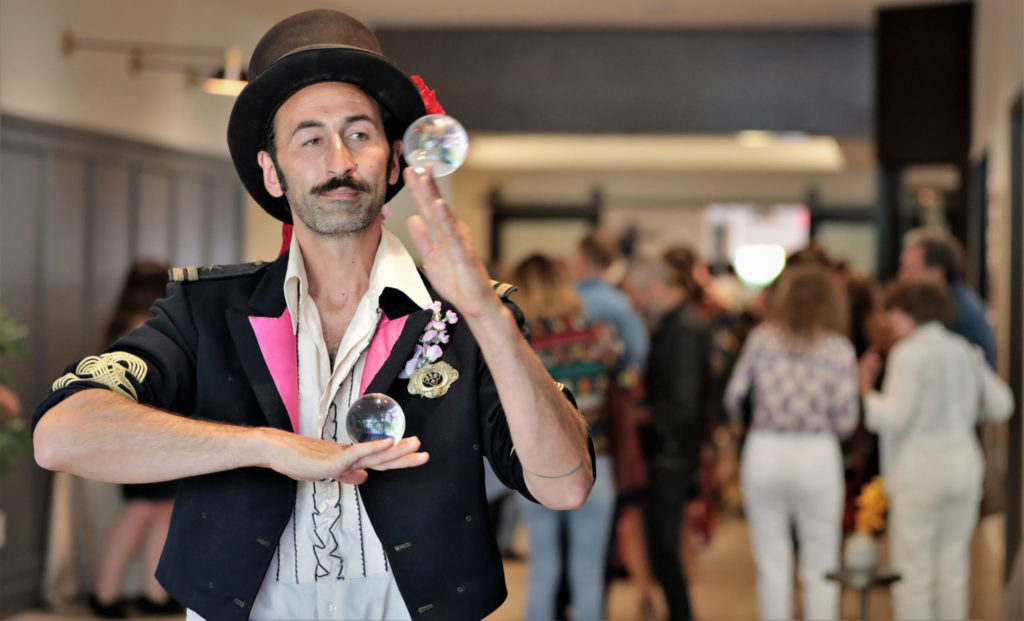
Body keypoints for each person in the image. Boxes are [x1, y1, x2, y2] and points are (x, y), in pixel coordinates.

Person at [31, 10, 593, 621]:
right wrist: (268, 446)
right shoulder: (205, 311)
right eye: (309, 137)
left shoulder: (468, 313)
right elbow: (62, 436)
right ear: (271, 171)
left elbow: (564, 485)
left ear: (395, 159)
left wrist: (485, 313)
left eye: (359, 133)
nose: (338, 160)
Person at [858, 279, 1013, 621]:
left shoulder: (908, 354)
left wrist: (867, 391)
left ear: (908, 313)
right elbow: (1003, 405)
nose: (890, 321)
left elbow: (894, 417)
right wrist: (965, 410)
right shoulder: (963, 349)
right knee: (953, 568)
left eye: (893, 313)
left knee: (913, 571)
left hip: (920, 472)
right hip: (963, 469)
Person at [723, 264, 859, 621]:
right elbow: (847, 421)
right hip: (817, 453)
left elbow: (734, 398)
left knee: (771, 563)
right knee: (821, 560)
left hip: (765, 450)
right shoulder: (838, 350)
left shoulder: (761, 339)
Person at [511, 253, 620, 621]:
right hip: (595, 457)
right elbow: (625, 383)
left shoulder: (520, 340)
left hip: (537, 461)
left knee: (544, 567)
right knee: (588, 571)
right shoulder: (597, 332)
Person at [89, 260, 181, 618]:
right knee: (143, 510)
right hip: (145, 433)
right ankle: (106, 593)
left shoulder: (120, 325)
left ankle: (150, 593)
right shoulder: (147, 328)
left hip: (147, 433)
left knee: (159, 510)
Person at [622, 254, 712, 621]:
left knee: (665, 548)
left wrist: (641, 415)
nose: (631, 304)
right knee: (663, 548)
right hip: (668, 450)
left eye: (635, 295)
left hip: (671, 453)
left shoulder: (684, 330)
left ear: (654, 288)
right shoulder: (674, 326)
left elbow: (683, 406)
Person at [899, 227, 996, 367]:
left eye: (911, 269)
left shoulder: (956, 310)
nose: (903, 277)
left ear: (937, 273)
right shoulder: (955, 300)